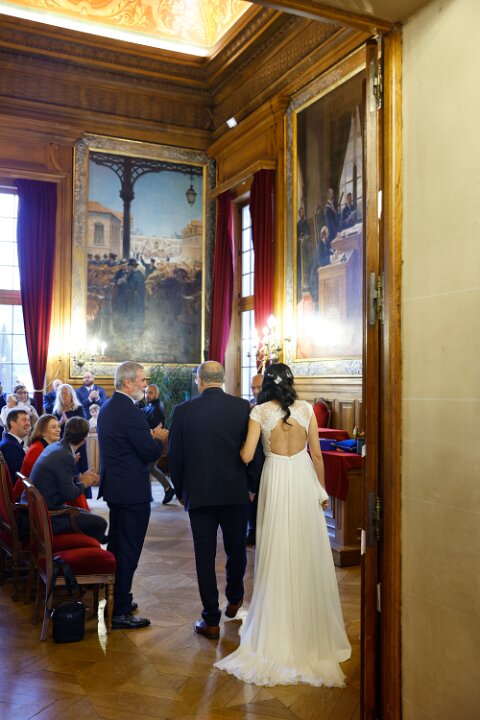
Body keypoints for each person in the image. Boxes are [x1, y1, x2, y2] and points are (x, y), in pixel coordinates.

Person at [215, 363, 351, 687]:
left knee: (276, 549)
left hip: (275, 479)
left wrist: (237, 446)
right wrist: (322, 492)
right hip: (302, 478)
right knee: (306, 550)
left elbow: (247, 456)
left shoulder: (259, 412)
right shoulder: (306, 409)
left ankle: (275, 629)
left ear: (266, 385)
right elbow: (317, 455)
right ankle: (309, 630)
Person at [168, 361, 253, 641]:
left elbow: (175, 456)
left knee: (204, 557)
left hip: (200, 493)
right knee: (236, 549)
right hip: (235, 493)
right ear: (223, 379)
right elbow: (253, 451)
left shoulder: (183, 411)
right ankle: (235, 597)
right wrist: (251, 486)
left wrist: (181, 491)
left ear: (200, 381)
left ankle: (211, 620)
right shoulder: (242, 408)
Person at [97, 361, 168, 630]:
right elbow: (148, 453)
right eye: (142, 380)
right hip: (132, 492)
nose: (145, 384)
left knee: (118, 547)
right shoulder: (131, 412)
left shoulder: (108, 407)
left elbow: (125, 443)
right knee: (128, 551)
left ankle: (118, 599)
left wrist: (145, 436)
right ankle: (120, 612)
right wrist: (158, 439)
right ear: (127, 382)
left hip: (117, 489)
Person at [30, 417, 106, 542]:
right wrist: (84, 483)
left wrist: (79, 478)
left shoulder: (56, 446)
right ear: (84, 439)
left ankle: (95, 544)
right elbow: (69, 494)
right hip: (47, 515)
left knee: (89, 517)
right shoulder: (65, 455)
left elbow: (58, 479)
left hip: (38, 508)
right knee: (100, 523)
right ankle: (90, 549)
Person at [142, 384, 175, 504]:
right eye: (146, 392)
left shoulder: (158, 408)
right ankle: (149, 494)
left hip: (156, 442)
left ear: (157, 394)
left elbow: (157, 427)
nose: (147, 395)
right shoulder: (149, 405)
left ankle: (168, 489)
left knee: (150, 467)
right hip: (150, 441)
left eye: (150, 393)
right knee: (148, 467)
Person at [0, 408, 31, 482]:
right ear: (12, 423)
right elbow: (17, 479)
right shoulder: (10, 446)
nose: (28, 423)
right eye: (24, 420)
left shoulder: (9, 442)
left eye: (29, 420)